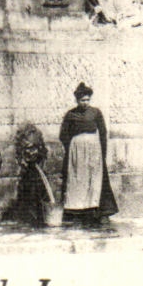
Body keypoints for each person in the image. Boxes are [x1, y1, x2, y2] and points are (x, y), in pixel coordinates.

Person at [59, 82, 118, 226]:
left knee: (96, 180)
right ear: (77, 100)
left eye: (87, 100)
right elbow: (63, 134)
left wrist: (102, 152)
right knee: (78, 180)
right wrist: (73, 148)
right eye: (82, 100)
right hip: (77, 152)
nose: (85, 103)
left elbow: (103, 133)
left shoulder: (96, 113)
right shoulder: (71, 114)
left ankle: (99, 213)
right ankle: (77, 212)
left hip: (94, 151)